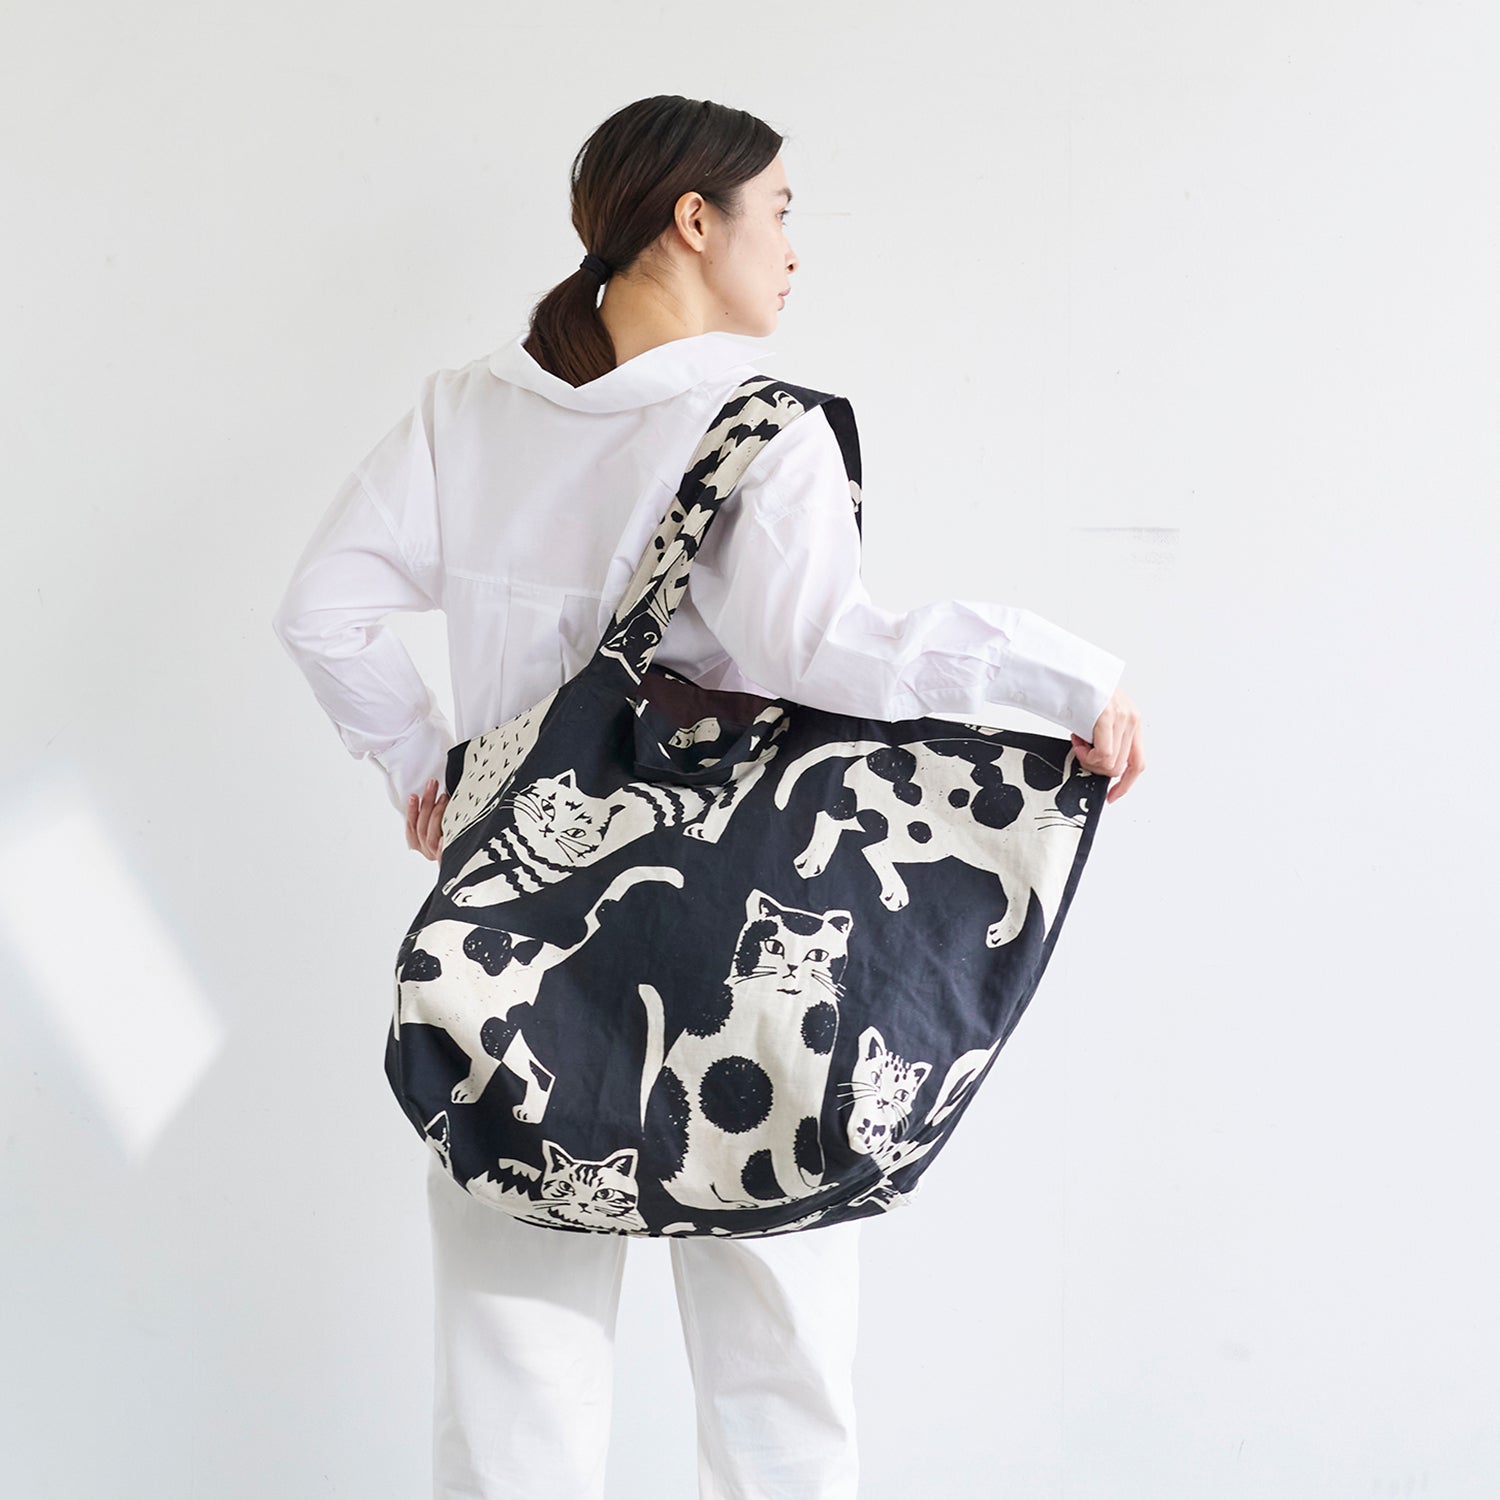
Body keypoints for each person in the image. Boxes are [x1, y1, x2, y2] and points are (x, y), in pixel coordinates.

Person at [272, 94, 1144, 1500]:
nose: (794, 248)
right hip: (743, 953)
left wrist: (426, 765)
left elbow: (323, 609)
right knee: (777, 1373)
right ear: (696, 219)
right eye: (781, 210)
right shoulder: (761, 429)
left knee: (511, 1382)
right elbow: (827, 653)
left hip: (510, 946)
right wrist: (1064, 678)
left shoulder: (466, 411)